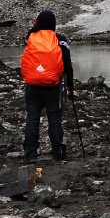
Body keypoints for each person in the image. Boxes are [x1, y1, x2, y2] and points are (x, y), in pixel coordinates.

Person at [20, 9, 73, 163]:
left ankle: (30, 154)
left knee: (32, 118)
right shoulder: (60, 40)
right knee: (54, 119)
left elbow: (26, 39)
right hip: (52, 86)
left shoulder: (31, 37)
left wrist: (35, 27)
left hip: (33, 85)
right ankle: (57, 153)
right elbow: (67, 65)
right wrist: (70, 84)